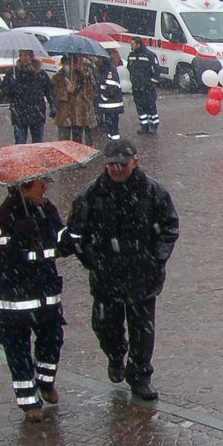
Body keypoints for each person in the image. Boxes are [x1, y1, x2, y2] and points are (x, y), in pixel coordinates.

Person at [64, 139, 179, 401]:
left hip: (142, 275)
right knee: (105, 326)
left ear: (134, 162)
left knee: (143, 330)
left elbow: (169, 226)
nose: (116, 169)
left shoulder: (152, 191)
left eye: (121, 164)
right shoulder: (90, 195)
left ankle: (139, 375)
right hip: (107, 275)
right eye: (111, 164)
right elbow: (76, 234)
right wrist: (92, 260)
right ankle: (115, 355)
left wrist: (156, 259)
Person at [0, 176, 71, 423]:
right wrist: (16, 240)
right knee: (18, 350)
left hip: (45, 295)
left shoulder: (47, 209)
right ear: (24, 188)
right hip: (13, 302)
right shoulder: (0, 218)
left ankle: (45, 381)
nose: (45, 188)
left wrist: (69, 239)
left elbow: (59, 235)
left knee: (53, 341)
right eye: (40, 184)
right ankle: (29, 401)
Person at [0, 48, 54, 144]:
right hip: (19, 113)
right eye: (21, 55)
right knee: (20, 144)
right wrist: (10, 87)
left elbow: (49, 90)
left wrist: (53, 105)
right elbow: (3, 92)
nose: (24, 58)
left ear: (32, 57)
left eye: (26, 55)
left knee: (37, 145)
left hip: (37, 113)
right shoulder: (13, 73)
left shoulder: (40, 74)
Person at [52, 54, 97, 144]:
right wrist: (65, 91)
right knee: (64, 141)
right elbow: (54, 91)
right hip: (65, 112)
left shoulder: (85, 73)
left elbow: (91, 89)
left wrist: (83, 96)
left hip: (79, 111)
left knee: (78, 140)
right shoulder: (60, 76)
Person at [125, 37, 161, 135]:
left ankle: (154, 126)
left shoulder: (149, 55)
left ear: (138, 44)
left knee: (151, 107)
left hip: (147, 88)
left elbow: (157, 70)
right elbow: (129, 69)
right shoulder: (131, 55)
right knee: (140, 107)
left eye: (132, 44)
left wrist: (151, 83)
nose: (131, 46)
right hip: (136, 87)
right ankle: (144, 126)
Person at [94, 54, 125, 142]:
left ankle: (115, 144)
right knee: (110, 127)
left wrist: (103, 96)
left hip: (112, 106)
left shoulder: (109, 70)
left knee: (113, 128)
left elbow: (112, 87)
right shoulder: (103, 69)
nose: (96, 60)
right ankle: (112, 143)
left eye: (98, 58)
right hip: (107, 106)